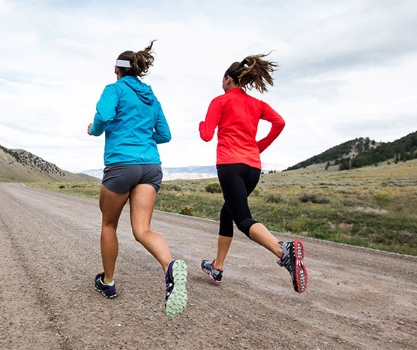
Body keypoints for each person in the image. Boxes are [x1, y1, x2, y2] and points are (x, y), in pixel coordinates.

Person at [87, 41, 188, 317]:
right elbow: (164, 135)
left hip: (122, 165)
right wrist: (143, 136)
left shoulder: (114, 89)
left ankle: (107, 282)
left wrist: (93, 129)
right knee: (142, 230)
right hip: (151, 166)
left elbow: (104, 117)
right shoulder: (152, 99)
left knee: (109, 224)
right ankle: (170, 266)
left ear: (117, 70)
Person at [198, 53, 308, 293]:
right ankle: (217, 267)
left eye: (223, 79)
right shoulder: (256, 104)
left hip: (230, 165)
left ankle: (282, 250)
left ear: (228, 79)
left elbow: (206, 135)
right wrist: (258, 146)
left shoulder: (221, 100)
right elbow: (279, 123)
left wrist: (200, 125)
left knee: (243, 219)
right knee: (227, 213)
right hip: (253, 168)